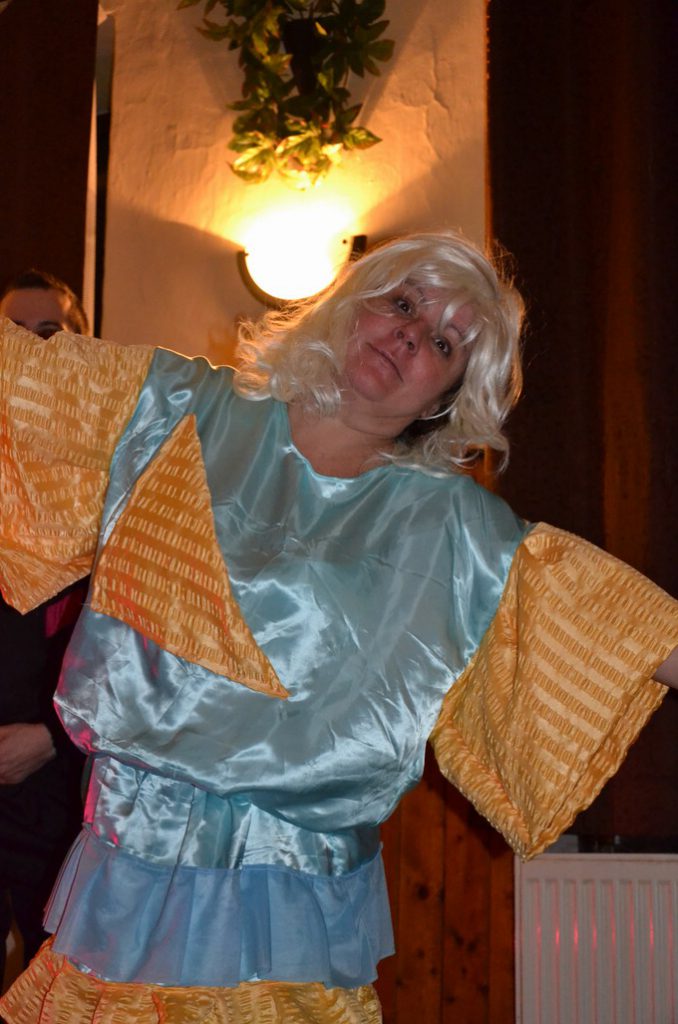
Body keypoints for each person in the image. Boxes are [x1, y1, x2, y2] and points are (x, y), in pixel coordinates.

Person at [0, 231, 676, 1024]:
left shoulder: (451, 527)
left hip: (290, 911)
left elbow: (622, 624)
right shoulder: (174, 404)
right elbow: (23, 384)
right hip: (128, 871)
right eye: (403, 303)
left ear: (445, 397)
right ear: (352, 305)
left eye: (443, 343)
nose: (410, 335)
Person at [0, 270, 89, 991]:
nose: (30, 346)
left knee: (54, 979)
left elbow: (139, 629)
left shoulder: (116, 466)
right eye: (12, 332)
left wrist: (55, 735)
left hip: (59, 778)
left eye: (50, 331)